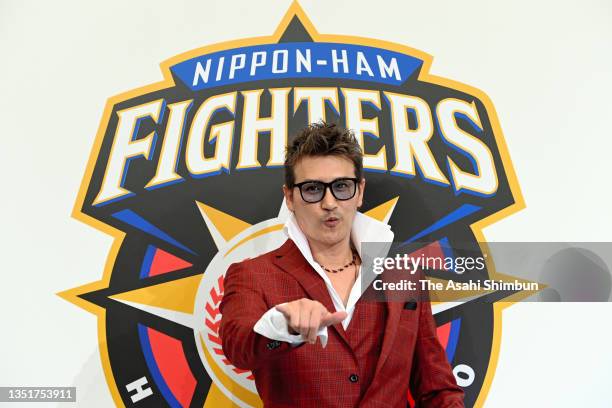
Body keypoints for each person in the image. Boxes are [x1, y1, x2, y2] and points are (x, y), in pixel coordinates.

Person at [219, 122, 464, 407]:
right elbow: (238, 346)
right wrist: (280, 324)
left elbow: (437, 389)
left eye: (341, 187)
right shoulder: (253, 274)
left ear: (359, 192)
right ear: (289, 197)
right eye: (312, 189)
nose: (329, 202)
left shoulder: (405, 277)